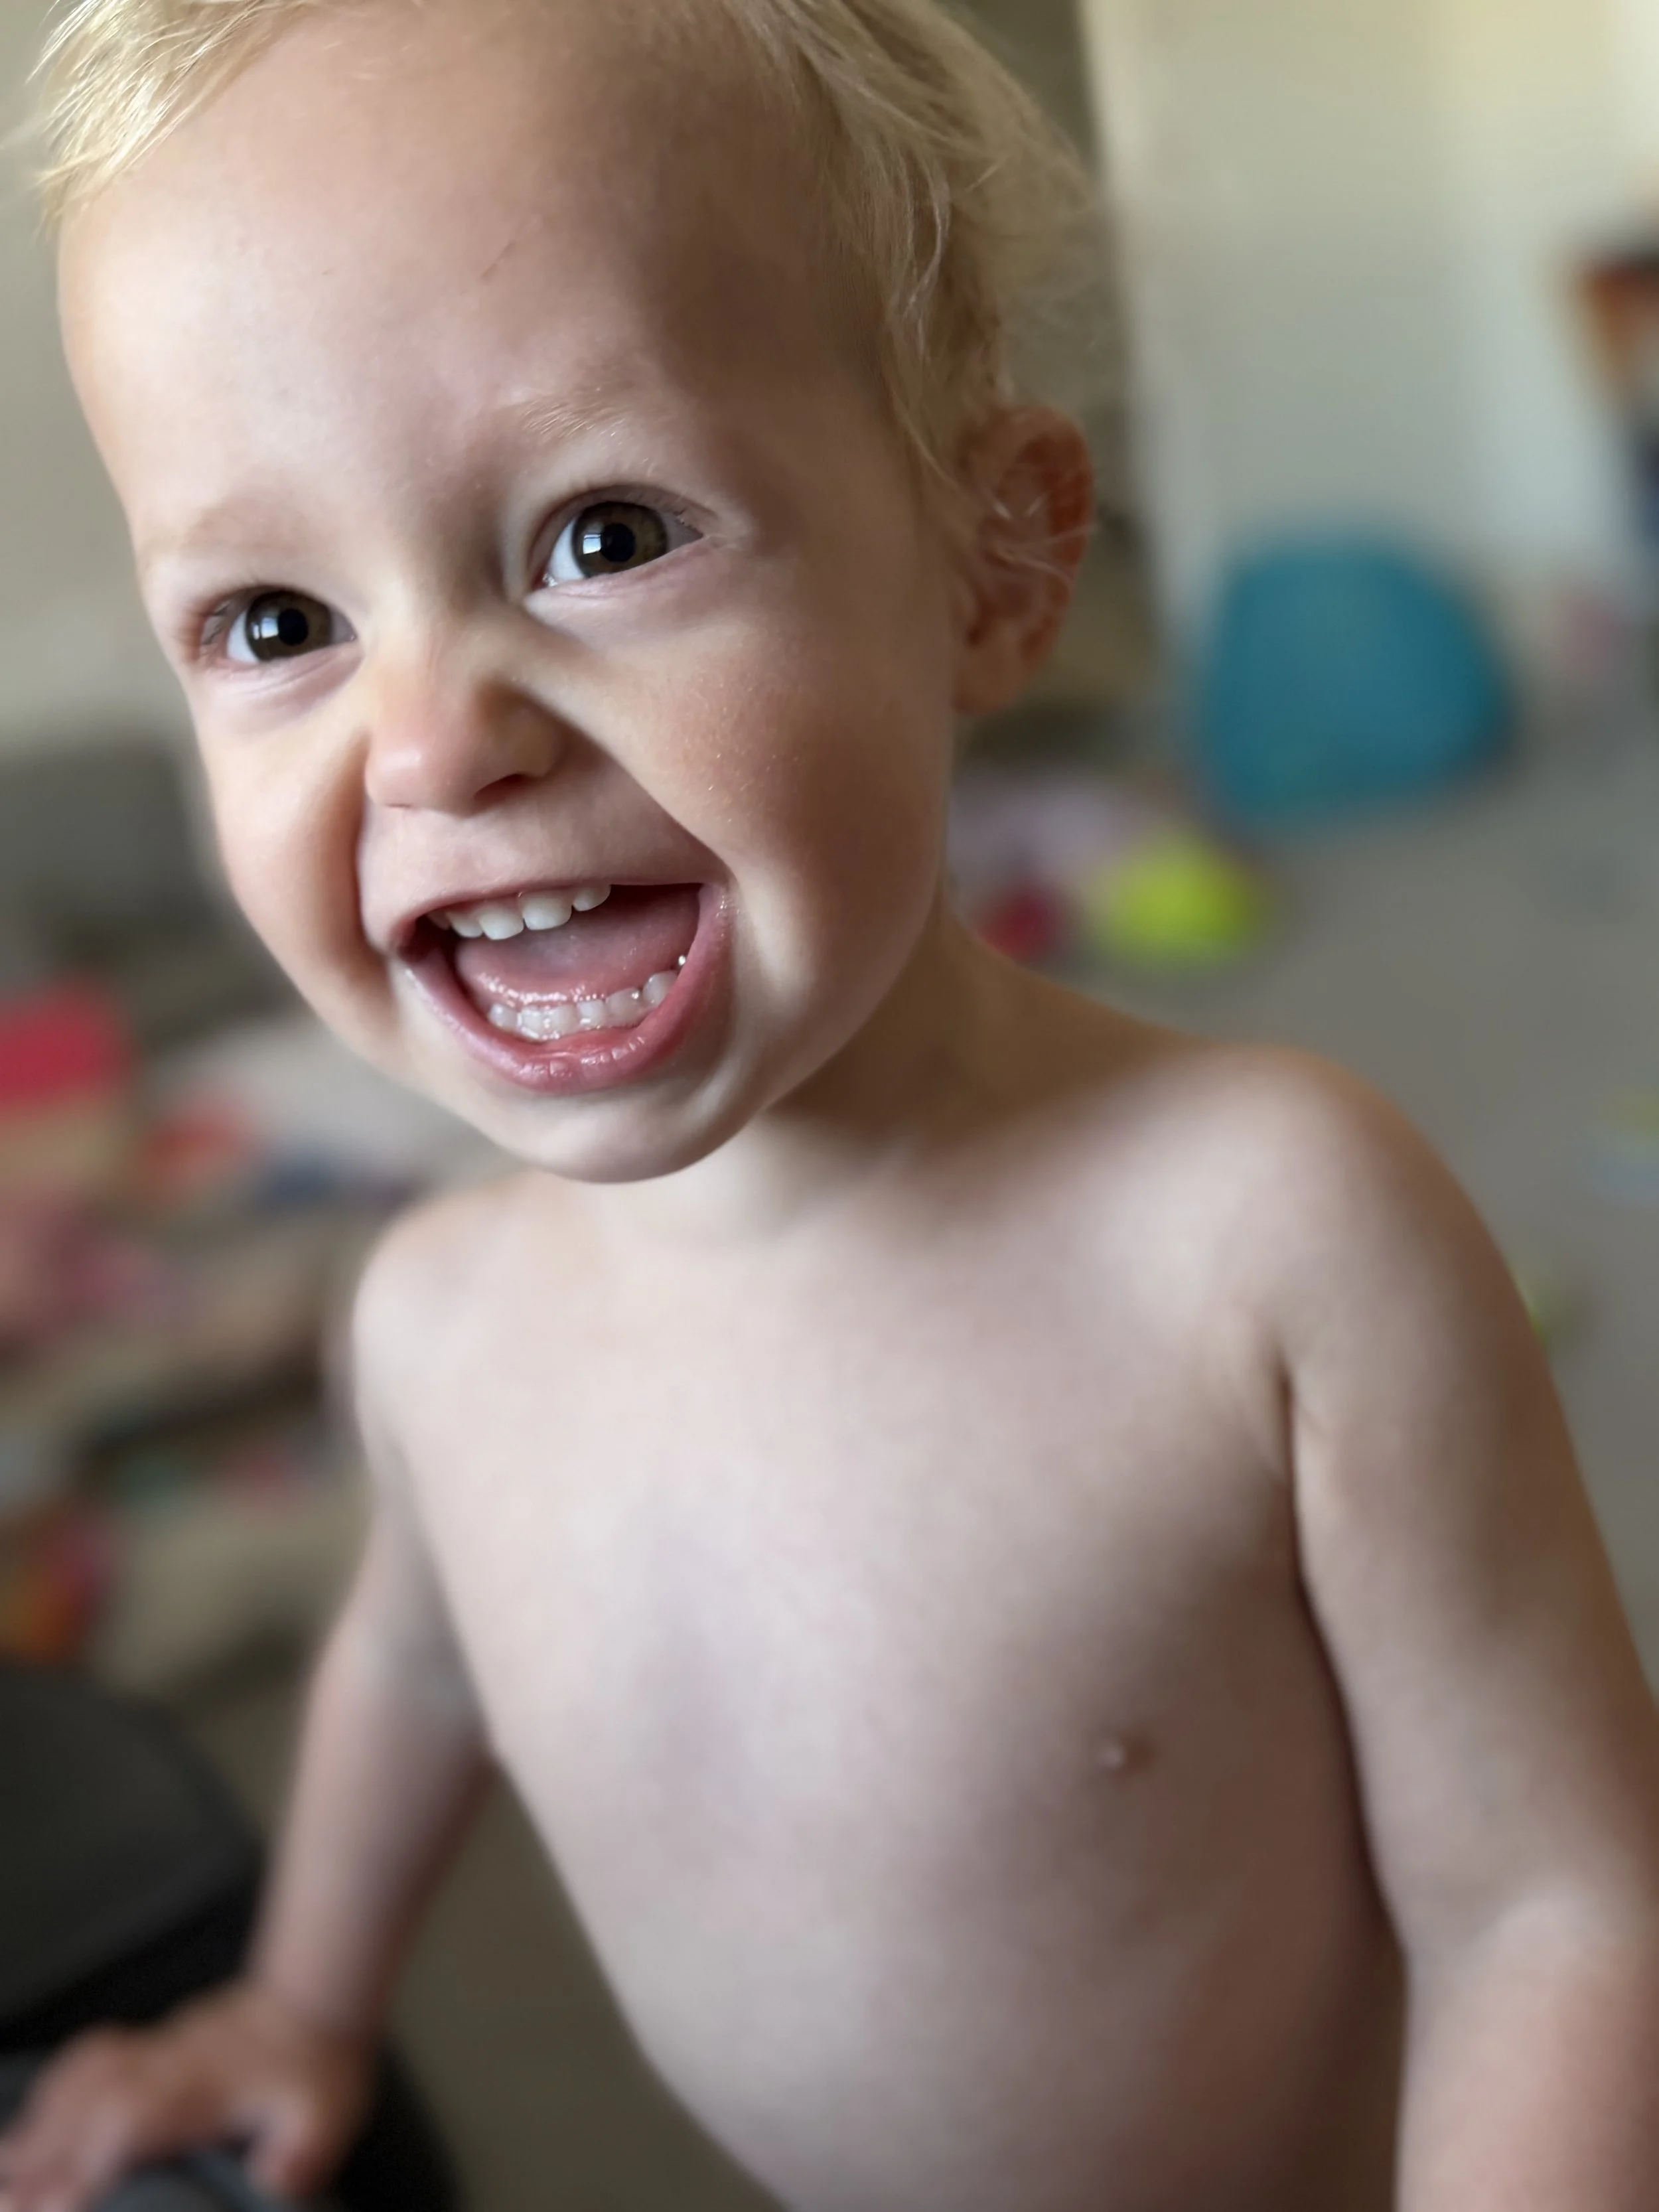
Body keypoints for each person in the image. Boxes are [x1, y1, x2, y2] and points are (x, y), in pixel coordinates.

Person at [6, 1, 1659, 2206]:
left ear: (991, 560)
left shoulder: (1269, 1236)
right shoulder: (433, 1315)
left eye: (602, 535)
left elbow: (1558, 1904)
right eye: (278, 615)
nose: (425, 746)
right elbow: (410, 1670)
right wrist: (306, 1996)